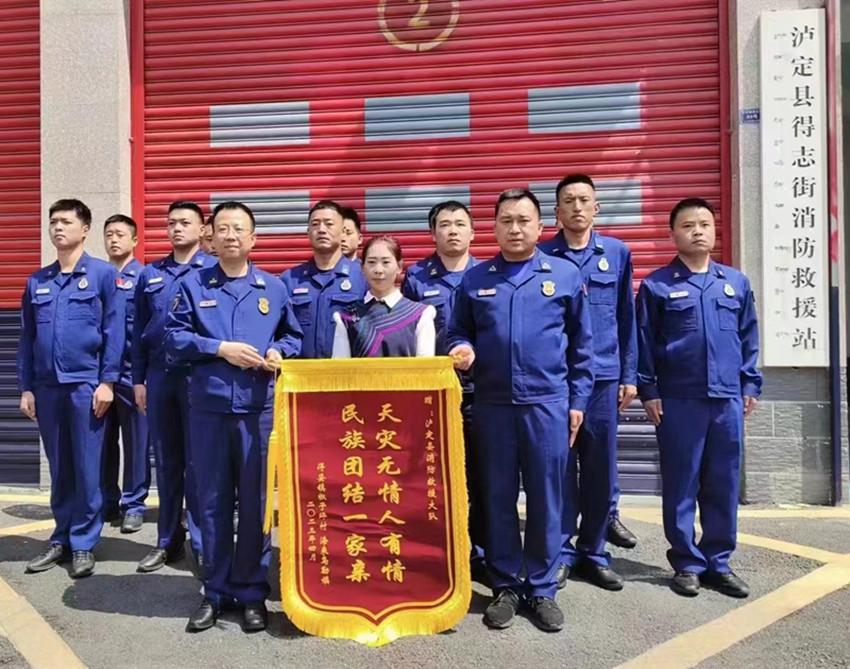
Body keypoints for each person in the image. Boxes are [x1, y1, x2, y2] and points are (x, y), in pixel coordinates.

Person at [447, 188, 594, 632]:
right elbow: (457, 331)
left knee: (548, 497)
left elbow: (582, 347)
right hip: (492, 405)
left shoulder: (564, 275)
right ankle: (507, 584)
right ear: (493, 228)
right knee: (497, 496)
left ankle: (543, 587)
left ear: (541, 226)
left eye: (523, 220)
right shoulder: (476, 279)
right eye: (506, 220)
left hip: (547, 404)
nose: (515, 229)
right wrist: (462, 348)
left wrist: (578, 401)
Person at [166, 200, 302, 633]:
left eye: (239, 228)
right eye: (222, 228)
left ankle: (251, 591)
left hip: (257, 412)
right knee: (212, 503)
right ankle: (215, 591)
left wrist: (279, 351)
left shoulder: (273, 288)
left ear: (253, 238)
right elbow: (173, 339)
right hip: (208, 411)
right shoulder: (192, 285)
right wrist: (219, 348)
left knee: (258, 506)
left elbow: (292, 335)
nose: (230, 235)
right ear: (211, 236)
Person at [637, 198, 762, 599]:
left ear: (714, 230)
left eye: (704, 224)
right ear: (672, 234)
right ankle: (687, 564)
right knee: (681, 483)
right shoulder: (657, 285)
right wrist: (649, 390)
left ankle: (719, 563)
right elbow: (644, 344)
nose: (697, 231)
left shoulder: (735, 283)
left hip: (726, 399)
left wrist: (749, 384)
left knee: (723, 483)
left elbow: (749, 337)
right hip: (679, 400)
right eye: (688, 225)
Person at [538, 175, 638, 592]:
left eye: (584, 200)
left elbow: (627, 317)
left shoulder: (616, 253)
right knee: (560, 469)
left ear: (596, 208)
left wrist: (629, 375)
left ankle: (594, 552)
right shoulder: (542, 255)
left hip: (602, 378)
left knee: (599, 469)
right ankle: (561, 552)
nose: (577, 207)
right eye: (568, 201)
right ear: (557, 212)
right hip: (556, 379)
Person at [18, 199, 124, 578]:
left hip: (85, 386)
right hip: (47, 389)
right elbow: (27, 339)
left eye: (66, 221)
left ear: (85, 229)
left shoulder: (102, 275)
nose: (58, 227)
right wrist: (27, 388)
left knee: (87, 465)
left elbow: (115, 332)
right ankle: (61, 537)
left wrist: (107, 382)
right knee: (60, 465)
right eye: (53, 222)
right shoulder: (38, 281)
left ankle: (83, 543)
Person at [400, 201, 486, 583]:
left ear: (473, 232)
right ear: (432, 233)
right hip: (432, 396)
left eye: (460, 224)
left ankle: (480, 554)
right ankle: (436, 552)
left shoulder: (487, 274)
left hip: (479, 391)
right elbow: (404, 329)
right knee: (433, 478)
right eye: (445, 225)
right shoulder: (417, 277)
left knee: (481, 476)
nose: (453, 230)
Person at [133, 201, 215, 573]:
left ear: (202, 230)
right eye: (171, 223)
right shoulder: (150, 274)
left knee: (199, 463)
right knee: (166, 463)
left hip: (198, 377)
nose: (177, 228)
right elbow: (138, 332)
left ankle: (202, 543)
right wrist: (138, 380)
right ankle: (168, 541)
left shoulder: (213, 271)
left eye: (185, 222)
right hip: (159, 376)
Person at [102, 214, 150, 533]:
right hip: (101, 375)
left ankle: (134, 504)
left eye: (120, 234)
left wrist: (143, 376)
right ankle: (107, 500)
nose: (114, 239)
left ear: (134, 240)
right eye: (109, 234)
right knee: (102, 442)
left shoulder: (145, 277)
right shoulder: (99, 277)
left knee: (136, 442)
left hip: (133, 373)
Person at [280, 200, 366, 358]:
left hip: (350, 371)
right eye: (315, 224)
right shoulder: (290, 280)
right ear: (308, 232)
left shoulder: (363, 276)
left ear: (343, 232)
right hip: (301, 371)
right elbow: (281, 332)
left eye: (329, 224)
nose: (321, 230)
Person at [333, 235, 435, 357]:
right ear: (362, 268)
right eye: (371, 262)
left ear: (399, 267)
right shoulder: (346, 318)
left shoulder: (420, 315)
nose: (378, 270)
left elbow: (425, 365)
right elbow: (341, 366)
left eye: (386, 262)